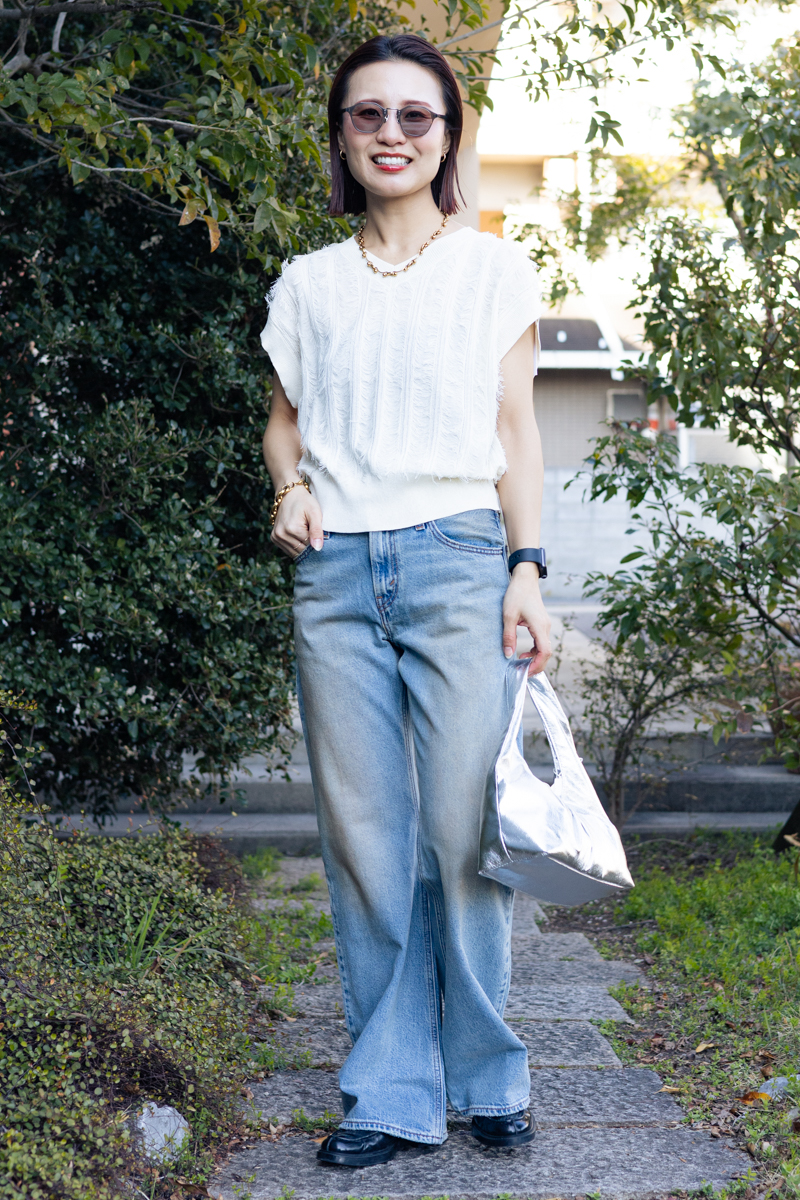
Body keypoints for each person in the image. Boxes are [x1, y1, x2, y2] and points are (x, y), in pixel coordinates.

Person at [261, 32, 551, 1169]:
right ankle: (388, 1089)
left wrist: (527, 569)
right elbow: (285, 421)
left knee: (464, 832)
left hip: (459, 559)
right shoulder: (308, 283)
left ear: (448, 137)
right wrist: (289, 487)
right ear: (341, 135)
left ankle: (486, 1075)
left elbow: (517, 432)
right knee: (366, 841)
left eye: (414, 116)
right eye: (367, 114)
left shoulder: (492, 272)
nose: (390, 134)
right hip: (335, 574)